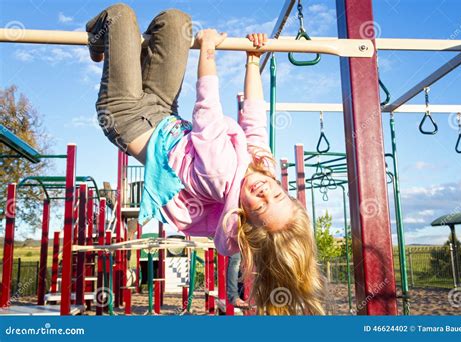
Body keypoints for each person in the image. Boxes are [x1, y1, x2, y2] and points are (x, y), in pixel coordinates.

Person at [87, 3, 324, 315]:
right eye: (277, 195)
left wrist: (208, 50)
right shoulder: (263, 170)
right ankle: (129, 52)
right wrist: (252, 62)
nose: (265, 193)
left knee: (120, 15)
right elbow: (254, 120)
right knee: (175, 22)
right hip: (162, 112)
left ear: (245, 217)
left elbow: (207, 111)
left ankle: (98, 39)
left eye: (261, 208)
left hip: (125, 116)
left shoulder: (221, 177)